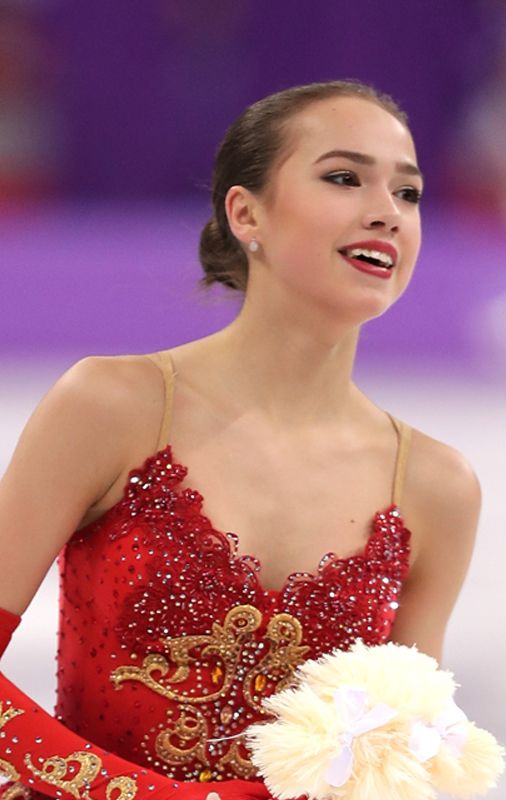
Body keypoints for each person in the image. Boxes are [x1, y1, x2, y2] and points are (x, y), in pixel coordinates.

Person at [0, 81, 479, 799]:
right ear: (246, 212)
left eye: (408, 194)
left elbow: (403, 761)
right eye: (345, 179)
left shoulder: (437, 486)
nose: (386, 213)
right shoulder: (111, 406)